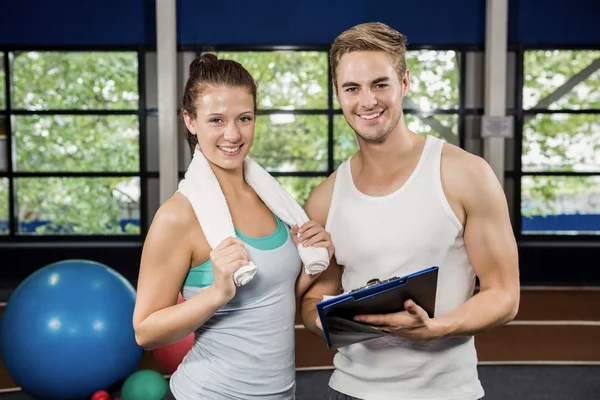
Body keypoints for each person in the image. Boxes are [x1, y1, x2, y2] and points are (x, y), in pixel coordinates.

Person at [300, 22, 520, 400]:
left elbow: (504, 295)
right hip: (349, 390)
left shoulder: (465, 174)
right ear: (338, 93)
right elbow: (312, 302)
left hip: (446, 392)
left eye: (380, 84)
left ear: (404, 82)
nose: (367, 101)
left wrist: (437, 328)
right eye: (352, 88)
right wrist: (345, 321)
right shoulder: (324, 198)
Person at [132, 53, 334, 400]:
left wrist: (316, 261)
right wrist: (218, 293)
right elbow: (145, 331)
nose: (233, 134)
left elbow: (274, 299)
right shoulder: (179, 216)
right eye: (216, 120)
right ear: (190, 121)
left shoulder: (273, 201)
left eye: (244, 118)